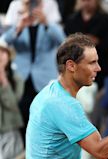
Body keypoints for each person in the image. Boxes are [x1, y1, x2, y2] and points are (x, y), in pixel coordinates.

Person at [1, 0, 66, 142]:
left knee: (44, 121)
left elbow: (62, 41)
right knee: (22, 120)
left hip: (44, 78)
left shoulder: (50, 5)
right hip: (21, 77)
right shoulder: (15, 5)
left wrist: (46, 22)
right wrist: (19, 26)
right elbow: (4, 42)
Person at [0, 40, 24, 159]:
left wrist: (3, 80)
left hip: (11, 133)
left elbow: (12, 105)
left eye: (3, 52)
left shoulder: (17, 79)